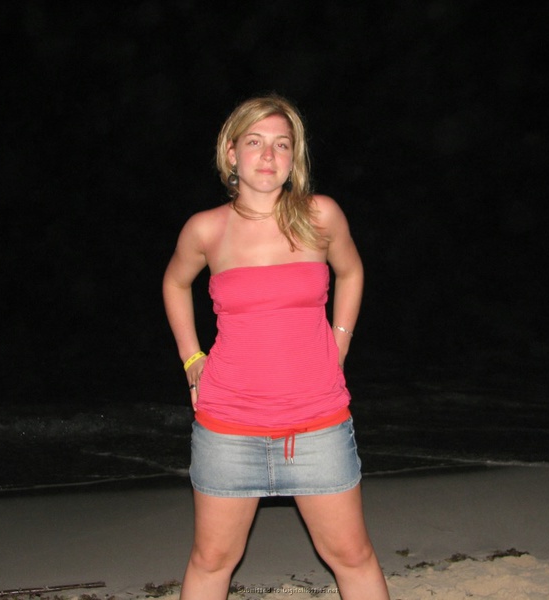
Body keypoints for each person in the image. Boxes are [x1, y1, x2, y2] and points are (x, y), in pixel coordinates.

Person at [162, 94, 389, 600]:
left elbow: (351, 271)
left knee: (352, 557)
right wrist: (192, 357)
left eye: (281, 144)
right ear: (231, 153)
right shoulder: (206, 229)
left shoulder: (320, 215)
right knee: (211, 561)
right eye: (255, 142)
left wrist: (339, 344)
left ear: (294, 157)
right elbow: (175, 283)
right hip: (227, 426)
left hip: (317, 423)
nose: (268, 155)